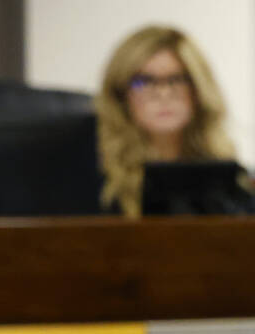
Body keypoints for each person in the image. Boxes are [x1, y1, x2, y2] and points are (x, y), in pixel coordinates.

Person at [94, 25, 237, 218]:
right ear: (121, 95)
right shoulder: (96, 174)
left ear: (199, 90)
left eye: (177, 79)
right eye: (144, 81)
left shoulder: (221, 170)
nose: (163, 93)